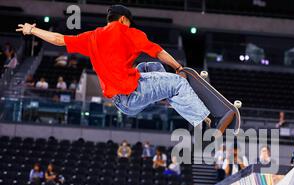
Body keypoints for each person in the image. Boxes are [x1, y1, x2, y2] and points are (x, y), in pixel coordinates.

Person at [16, 4, 235, 134]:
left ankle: (170, 98)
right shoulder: (130, 33)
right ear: (123, 19)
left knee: (149, 67)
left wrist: (32, 30)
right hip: (134, 93)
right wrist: (179, 67)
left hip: (121, 103)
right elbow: (158, 50)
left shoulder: (92, 36)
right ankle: (210, 123)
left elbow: (58, 39)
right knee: (176, 81)